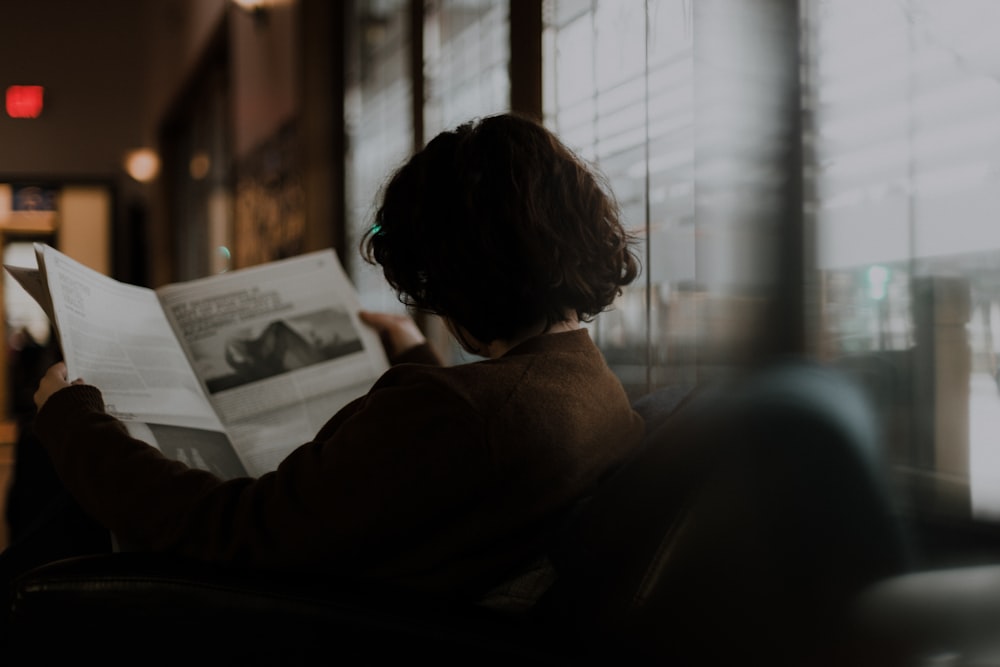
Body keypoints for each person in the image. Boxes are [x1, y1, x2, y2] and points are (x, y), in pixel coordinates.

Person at [1, 112, 644, 613]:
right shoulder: (585, 384)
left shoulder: (454, 411)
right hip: (366, 594)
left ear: (448, 271)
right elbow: (467, 439)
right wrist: (414, 351)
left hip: (290, 618)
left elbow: (232, 531)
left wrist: (73, 419)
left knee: (53, 465)